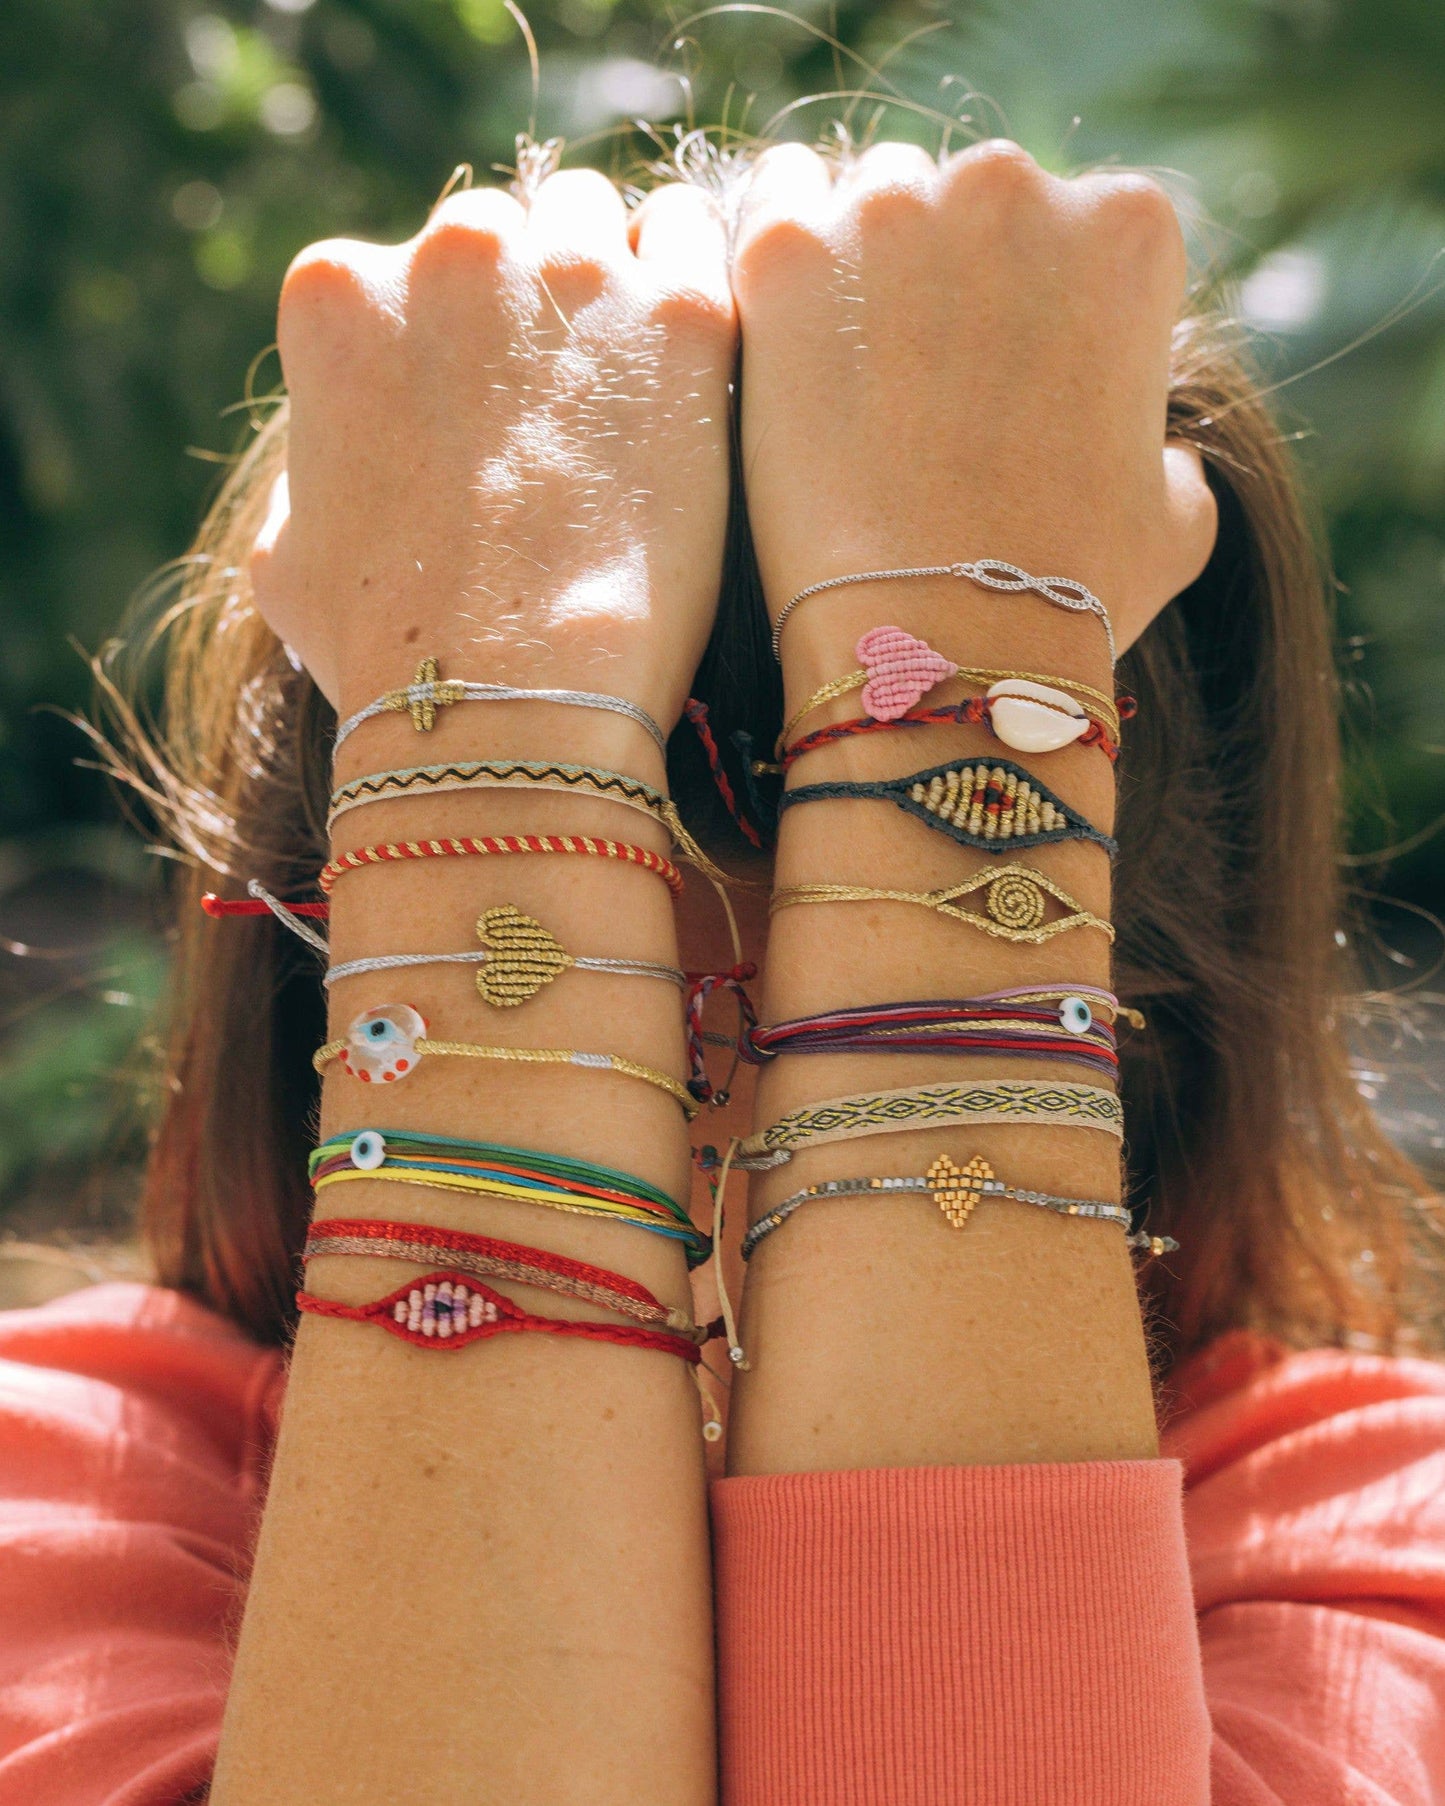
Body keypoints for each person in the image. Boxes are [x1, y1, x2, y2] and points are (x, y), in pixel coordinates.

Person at [0, 136, 1441, 1806]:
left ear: (1148, 1005)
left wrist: (940, 669)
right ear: (320, 947)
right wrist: (509, 735)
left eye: (804, 1052)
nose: (723, 1220)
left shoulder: (1377, 1521)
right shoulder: (61, 1482)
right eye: (664, 1071)